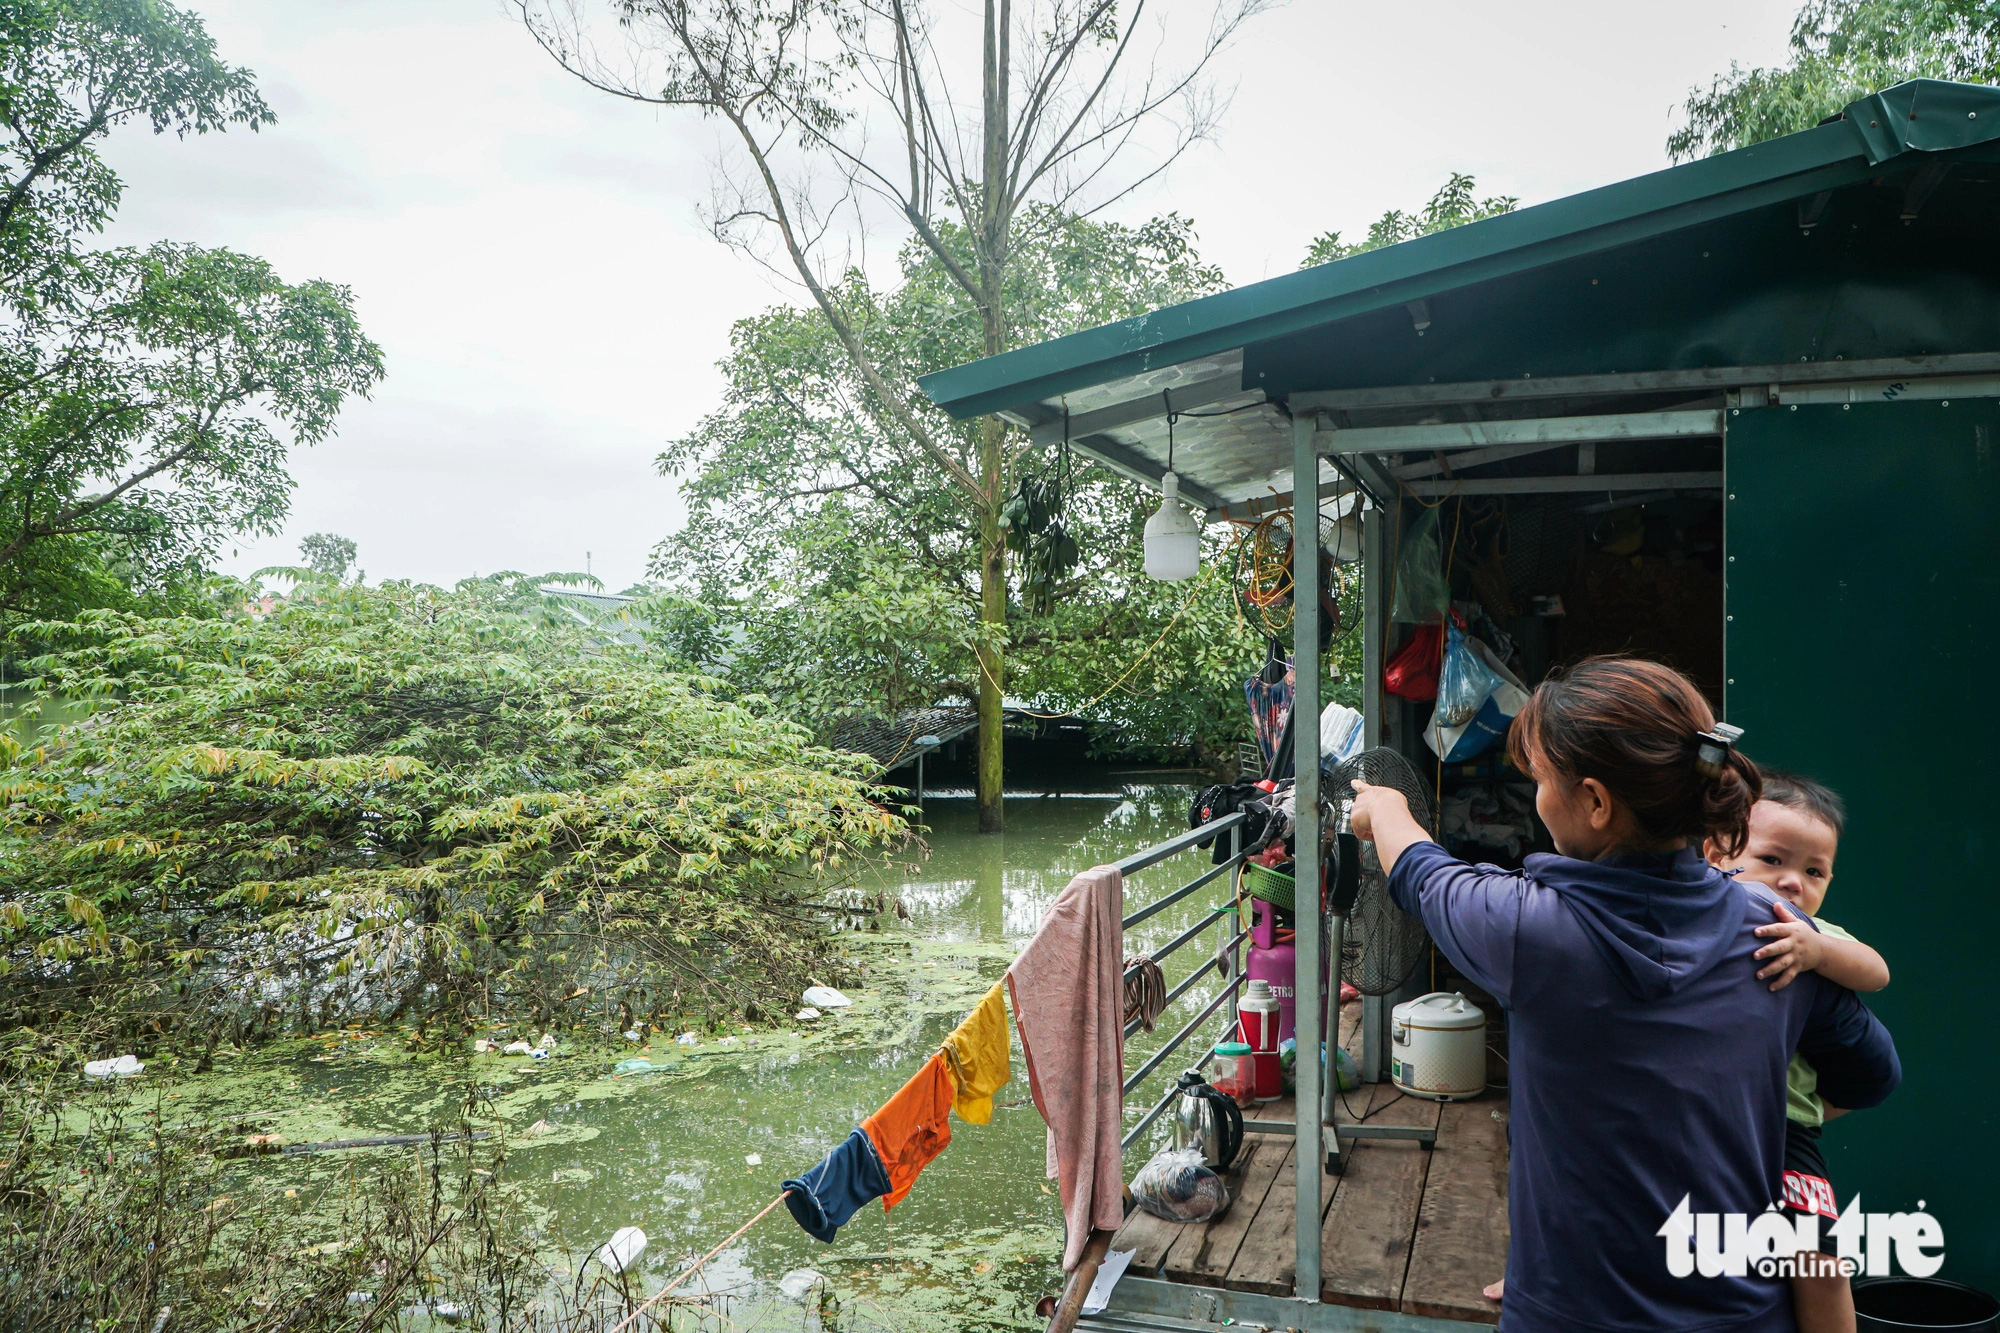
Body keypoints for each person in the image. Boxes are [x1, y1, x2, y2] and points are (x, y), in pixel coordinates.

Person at [1350, 656, 1900, 1332]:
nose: (1538, 800)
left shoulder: (1528, 929)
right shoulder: (1781, 935)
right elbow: (1874, 1071)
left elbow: (1422, 873)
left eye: (1544, 783)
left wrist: (1384, 806)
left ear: (1596, 802)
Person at [1710, 770, 1890, 1333]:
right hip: (1703, 1117)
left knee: (1817, 1258)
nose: (1792, 883)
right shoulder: (1697, 911)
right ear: (1717, 852)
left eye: (1813, 872)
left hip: (1788, 1126)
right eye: (1772, 859)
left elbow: (1878, 973)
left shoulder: (1812, 931)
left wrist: (1816, 952)